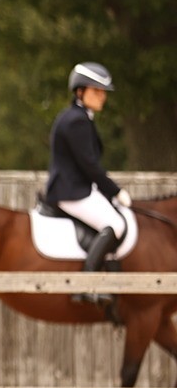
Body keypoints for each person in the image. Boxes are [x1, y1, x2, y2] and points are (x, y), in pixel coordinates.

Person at [43, 62, 131, 306]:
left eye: (103, 92)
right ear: (80, 92)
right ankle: (86, 284)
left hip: (76, 187)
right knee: (116, 224)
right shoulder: (76, 121)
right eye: (97, 91)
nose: (103, 97)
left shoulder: (80, 117)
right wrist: (116, 191)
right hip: (71, 190)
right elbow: (89, 165)